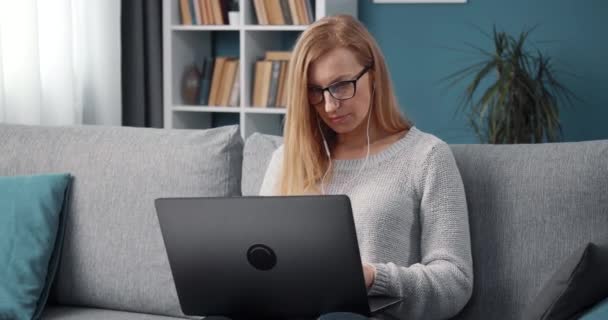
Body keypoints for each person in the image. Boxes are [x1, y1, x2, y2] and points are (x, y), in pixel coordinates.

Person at [259, 15, 473, 320]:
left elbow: (455, 283)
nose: (330, 105)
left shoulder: (427, 156)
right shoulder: (286, 158)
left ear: (373, 75)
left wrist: (374, 277)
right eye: (315, 91)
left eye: (341, 86)